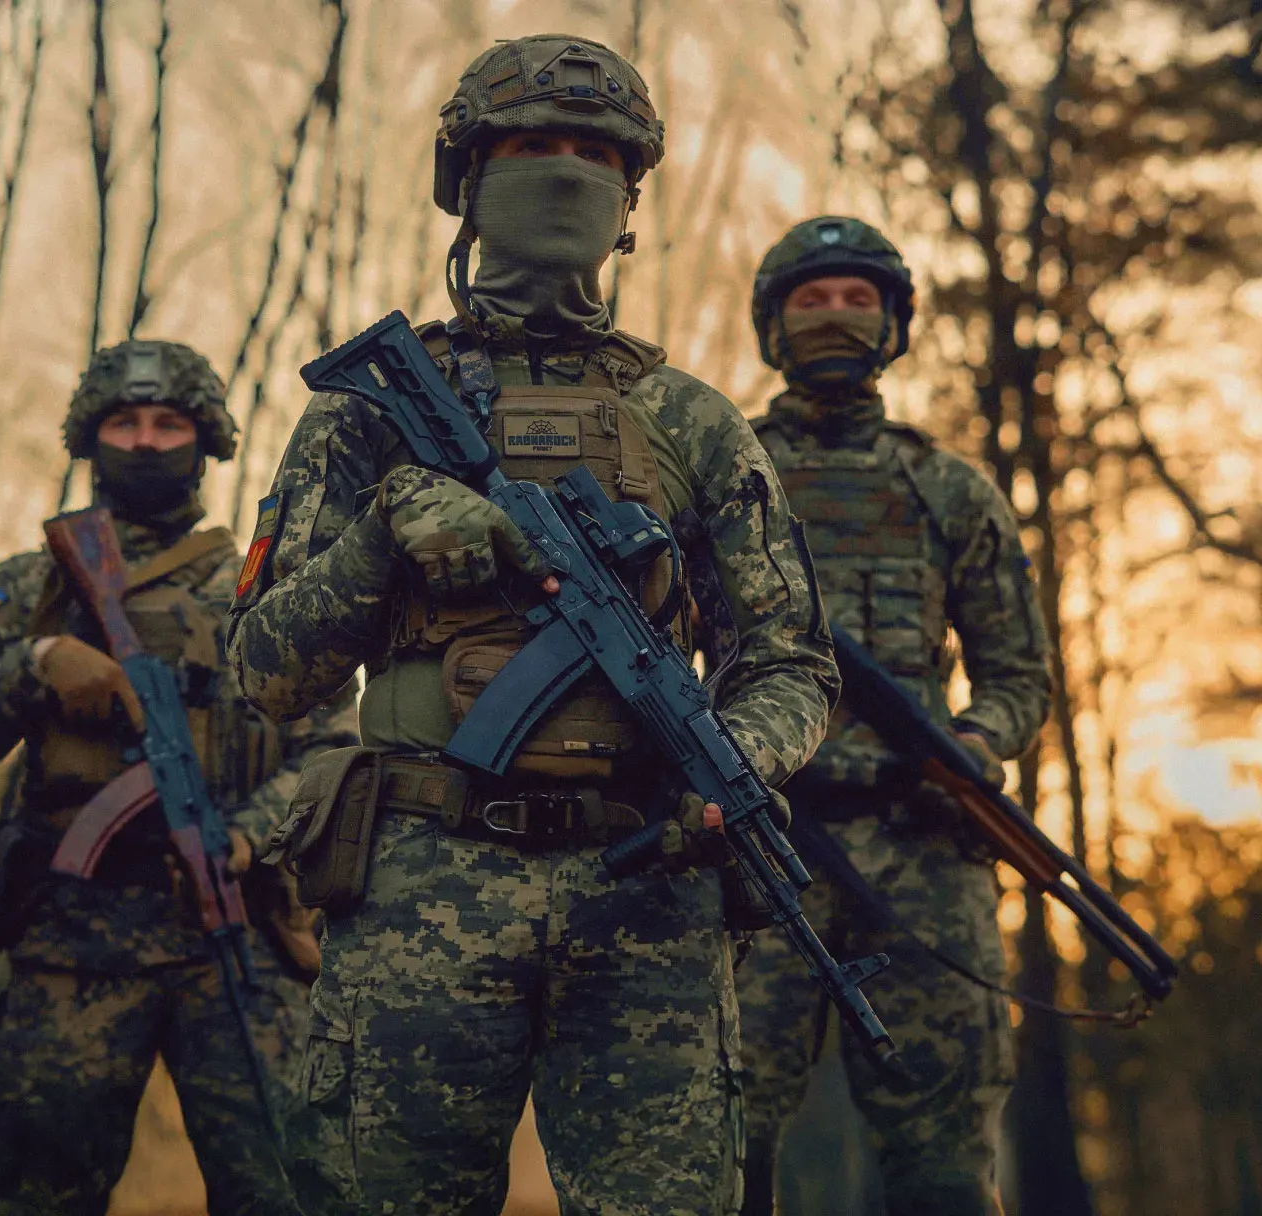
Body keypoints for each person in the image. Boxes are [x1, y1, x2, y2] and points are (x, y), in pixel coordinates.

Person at [226, 35, 838, 1214]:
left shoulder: (693, 422)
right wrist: (387, 529)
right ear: (467, 180)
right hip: (418, 886)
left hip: (649, 889)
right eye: (529, 148)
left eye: (593, 153)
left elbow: (789, 660)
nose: (563, 173)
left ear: (628, 202)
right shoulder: (370, 419)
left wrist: (744, 760)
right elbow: (260, 671)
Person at [0, 339, 358, 1216]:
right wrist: (34, 663)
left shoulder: (263, 589)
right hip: (72, 945)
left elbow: (334, 748)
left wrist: (246, 834)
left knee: (288, 1188)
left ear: (206, 442)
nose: (145, 441)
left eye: (168, 423)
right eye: (123, 422)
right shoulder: (30, 590)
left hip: (240, 937)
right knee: (31, 1191)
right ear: (91, 439)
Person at [733, 216, 1053, 1215]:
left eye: (856, 296)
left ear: (894, 322)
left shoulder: (948, 488)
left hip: (922, 849)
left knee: (944, 1154)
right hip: (756, 843)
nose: (835, 314)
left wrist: (974, 742)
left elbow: (1017, 673)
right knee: (715, 1138)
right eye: (812, 298)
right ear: (774, 326)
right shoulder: (719, 474)